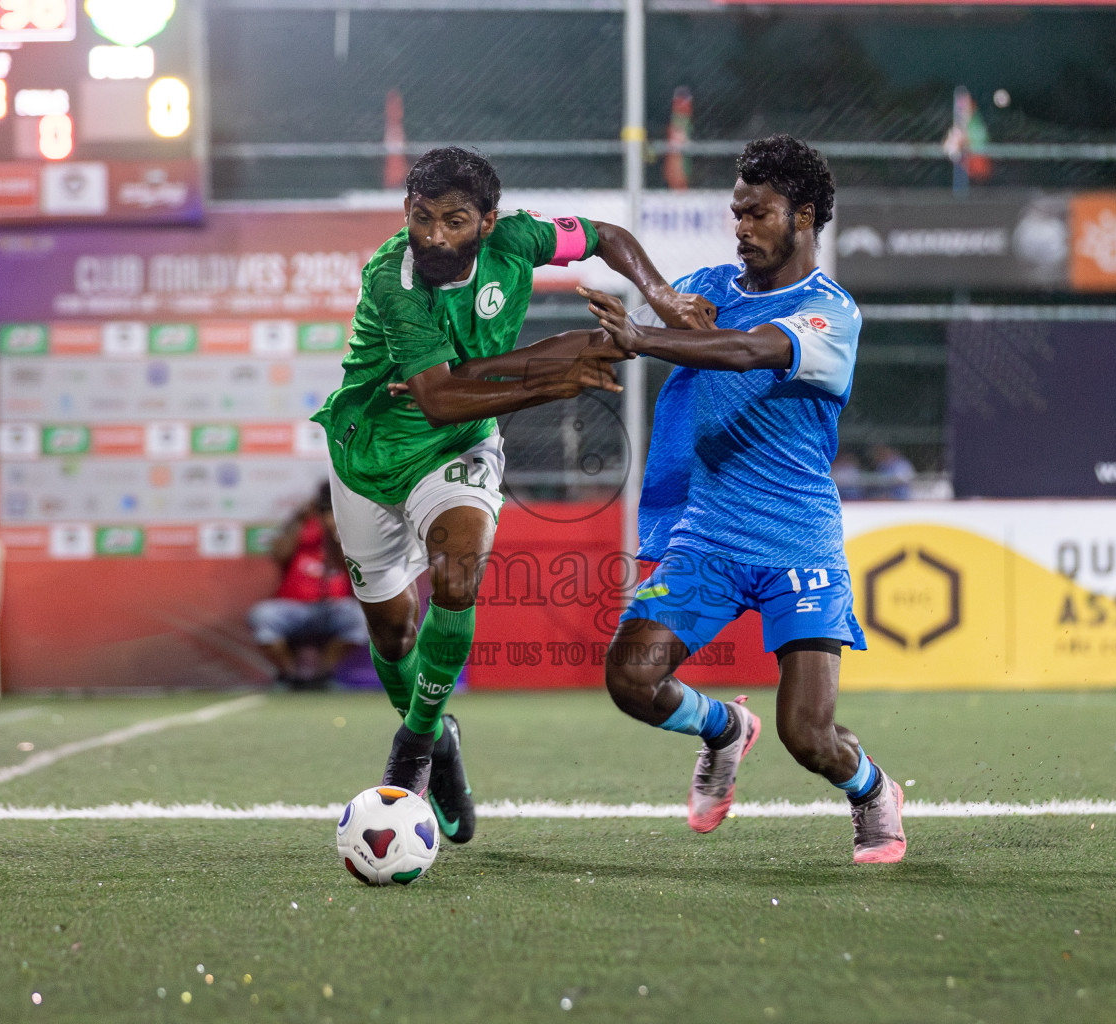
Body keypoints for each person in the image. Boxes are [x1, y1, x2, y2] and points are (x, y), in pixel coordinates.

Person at [318, 146, 712, 846]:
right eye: (421, 217)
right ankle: (442, 740)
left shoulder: (522, 238)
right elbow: (438, 397)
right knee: (391, 632)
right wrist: (550, 378)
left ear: (488, 222)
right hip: (370, 454)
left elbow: (609, 238)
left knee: (459, 570)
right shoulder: (393, 278)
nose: (434, 234)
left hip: (460, 448)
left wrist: (659, 294)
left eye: (453, 220)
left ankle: (414, 745)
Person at [581, 135, 907, 864]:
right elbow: (630, 269)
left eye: (758, 213)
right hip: (710, 536)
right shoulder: (711, 286)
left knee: (809, 738)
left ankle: (871, 790)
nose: (741, 227)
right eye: (736, 212)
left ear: (806, 216)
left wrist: (644, 336)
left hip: (798, 541)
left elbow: (749, 351)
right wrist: (615, 335)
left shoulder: (831, 313)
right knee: (630, 679)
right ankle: (723, 729)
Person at [248, 484, 370, 689]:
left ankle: (323, 674)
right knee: (262, 615)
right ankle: (290, 676)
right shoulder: (304, 526)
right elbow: (279, 555)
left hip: (332, 607)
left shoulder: (349, 528)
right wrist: (299, 519)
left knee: (359, 617)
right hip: (292, 607)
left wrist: (336, 532)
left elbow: (351, 566)